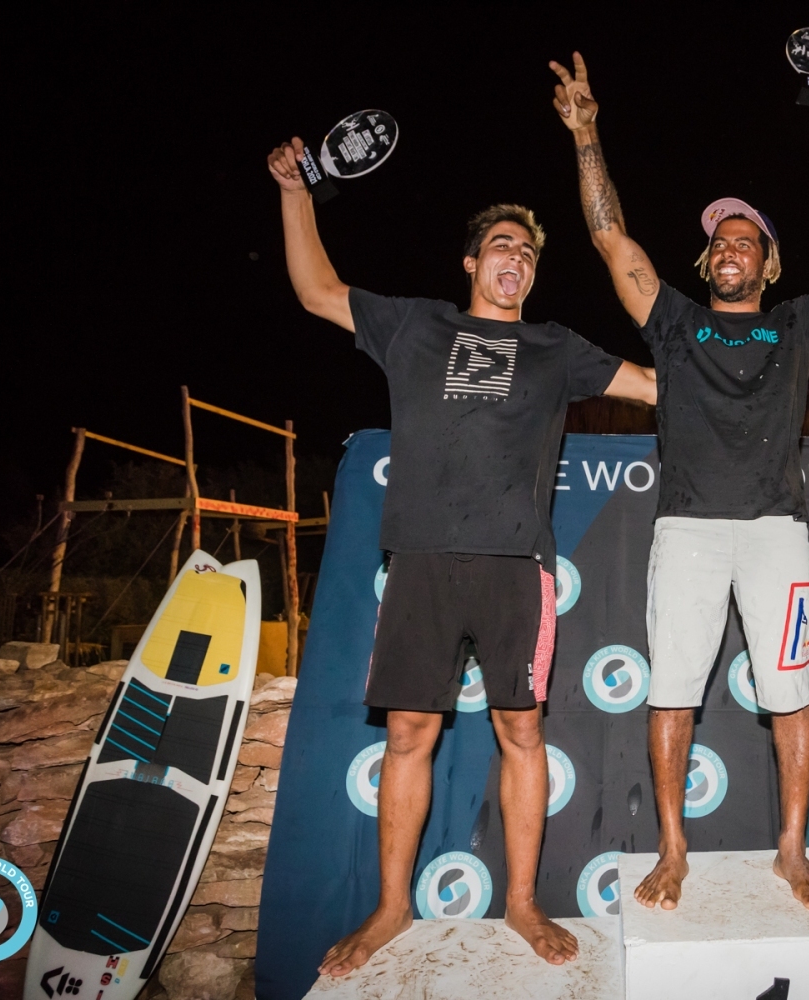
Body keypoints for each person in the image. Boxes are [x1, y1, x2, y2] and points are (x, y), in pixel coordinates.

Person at [266, 137, 657, 973]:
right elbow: (315, 291)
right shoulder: (416, 325)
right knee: (410, 732)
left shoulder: (556, 346)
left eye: (529, 253)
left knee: (522, 731)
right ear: (473, 262)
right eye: (503, 246)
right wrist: (296, 192)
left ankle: (521, 902)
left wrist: (741, 366)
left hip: (517, 566)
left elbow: (658, 386)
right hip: (421, 560)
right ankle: (390, 908)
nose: (517, 259)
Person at [549, 52, 809, 911]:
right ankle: (673, 851)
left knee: (792, 694)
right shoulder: (673, 323)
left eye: (747, 241)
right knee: (672, 691)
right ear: (706, 263)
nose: (731, 248)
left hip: (778, 534)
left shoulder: (796, 326)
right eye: (720, 242)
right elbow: (609, 237)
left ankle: (792, 851)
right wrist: (587, 135)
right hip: (689, 532)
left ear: (768, 265)